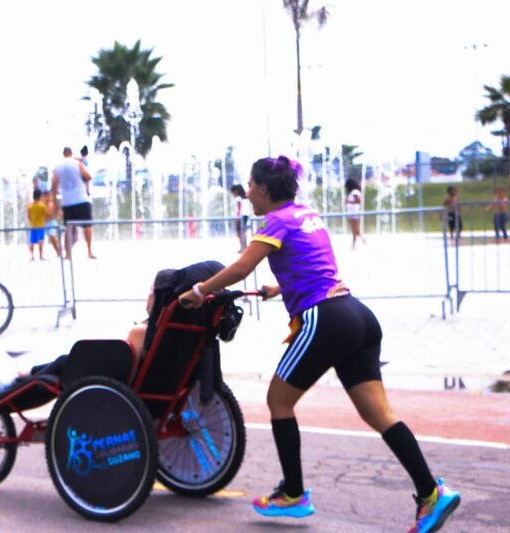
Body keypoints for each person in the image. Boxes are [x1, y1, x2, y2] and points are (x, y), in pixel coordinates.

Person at [179, 156, 460, 532]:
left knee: (278, 401)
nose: (248, 192)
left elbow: (242, 268)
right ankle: (431, 493)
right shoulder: (306, 215)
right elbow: (314, 268)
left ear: (264, 189)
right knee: (380, 414)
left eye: (251, 186)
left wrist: (199, 291)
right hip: (356, 315)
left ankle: (293, 494)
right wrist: (280, 288)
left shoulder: (275, 221)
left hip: (325, 320)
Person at [51, 146, 96, 260]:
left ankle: (67, 254)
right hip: (81, 198)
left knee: (68, 227)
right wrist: (86, 188)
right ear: (71, 153)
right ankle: (89, 251)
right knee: (87, 225)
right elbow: (88, 176)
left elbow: (54, 186)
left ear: (63, 154)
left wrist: (55, 203)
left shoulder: (57, 167)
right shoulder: (77, 163)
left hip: (67, 201)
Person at [126, 268, 176, 366]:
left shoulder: (140, 332)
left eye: (151, 289)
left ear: (157, 296)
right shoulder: (190, 331)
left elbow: (127, 373)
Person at [344, 178, 366, 249]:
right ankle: (362, 240)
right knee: (355, 229)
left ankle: (354, 244)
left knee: (354, 229)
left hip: (354, 213)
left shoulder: (355, 192)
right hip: (351, 213)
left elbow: (358, 201)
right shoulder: (353, 192)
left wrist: (348, 202)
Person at [229, 184, 251, 252]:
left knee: (240, 232)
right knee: (243, 231)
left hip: (240, 216)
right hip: (246, 215)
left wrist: (236, 218)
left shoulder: (238, 198)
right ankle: (244, 246)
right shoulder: (246, 198)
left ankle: (242, 247)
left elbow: (239, 209)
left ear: (236, 191)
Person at [27, 188, 47, 260]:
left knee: (32, 241)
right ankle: (41, 256)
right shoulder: (42, 206)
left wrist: (31, 222)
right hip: (41, 225)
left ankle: (32, 256)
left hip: (33, 226)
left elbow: (28, 216)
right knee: (40, 240)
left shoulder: (30, 206)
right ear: (40, 196)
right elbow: (46, 214)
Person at [42, 189, 62, 258]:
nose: (49, 197)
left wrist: (53, 216)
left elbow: (59, 214)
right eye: (47, 196)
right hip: (43, 223)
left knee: (52, 236)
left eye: (50, 195)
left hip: (52, 223)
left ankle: (58, 251)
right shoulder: (41, 204)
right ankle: (40, 255)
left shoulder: (53, 204)